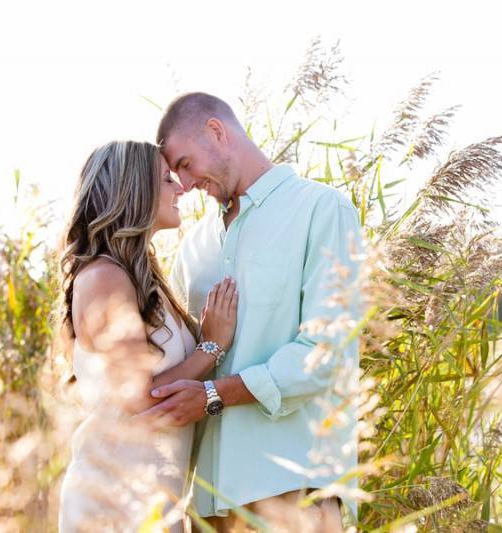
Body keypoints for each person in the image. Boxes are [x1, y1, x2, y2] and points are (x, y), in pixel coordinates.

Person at [145, 92, 361, 532]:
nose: (184, 185)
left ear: (217, 131)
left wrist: (213, 395)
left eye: (185, 164)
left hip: (293, 489)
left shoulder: (320, 210)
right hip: (208, 504)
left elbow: (325, 352)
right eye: (174, 174)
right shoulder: (194, 248)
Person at [56, 140, 239, 532]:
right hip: (114, 503)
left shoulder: (143, 279)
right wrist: (212, 346)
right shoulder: (105, 277)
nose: (181, 188)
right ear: (134, 190)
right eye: (166, 179)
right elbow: (138, 398)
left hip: (152, 502)